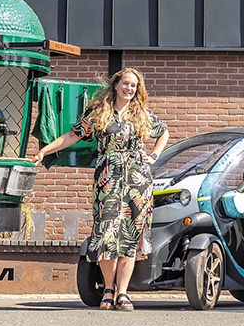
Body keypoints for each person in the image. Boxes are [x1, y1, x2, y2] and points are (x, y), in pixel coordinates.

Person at [34, 67, 168, 311]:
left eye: (134, 86)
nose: (129, 89)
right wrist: (45, 151)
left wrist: (154, 155)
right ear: (116, 85)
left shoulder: (141, 114)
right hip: (108, 180)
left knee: (130, 236)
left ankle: (123, 293)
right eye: (126, 83)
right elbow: (72, 136)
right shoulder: (99, 113)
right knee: (107, 235)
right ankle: (108, 289)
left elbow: (163, 132)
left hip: (137, 182)